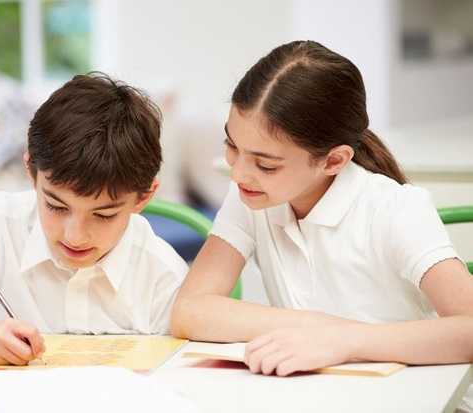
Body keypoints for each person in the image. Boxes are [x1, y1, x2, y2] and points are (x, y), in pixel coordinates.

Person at [170, 40, 473, 411]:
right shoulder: (252, 197)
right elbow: (190, 310)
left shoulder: (394, 209)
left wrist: (346, 341)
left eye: (266, 164)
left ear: (333, 161)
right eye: (232, 146)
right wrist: (316, 328)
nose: (238, 173)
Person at [0, 73, 188, 366]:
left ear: (143, 198)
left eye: (103, 215)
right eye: (56, 206)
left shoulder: (163, 275)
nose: (75, 236)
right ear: (31, 171)